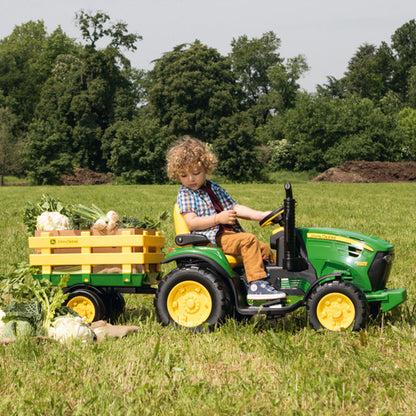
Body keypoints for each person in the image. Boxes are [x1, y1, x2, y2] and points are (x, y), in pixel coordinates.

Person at [166, 135, 285, 301]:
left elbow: (235, 208)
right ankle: (257, 285)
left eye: (196, 173)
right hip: (209, 238)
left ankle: (273, 281)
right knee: (248, 241)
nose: (190, 179)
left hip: (226, 236)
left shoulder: (213, 187)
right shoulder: (186, 193)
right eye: (184, 175)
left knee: (264, 249)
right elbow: (191, 222)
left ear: (206, 168)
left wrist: (262, 215)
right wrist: (218, 219)